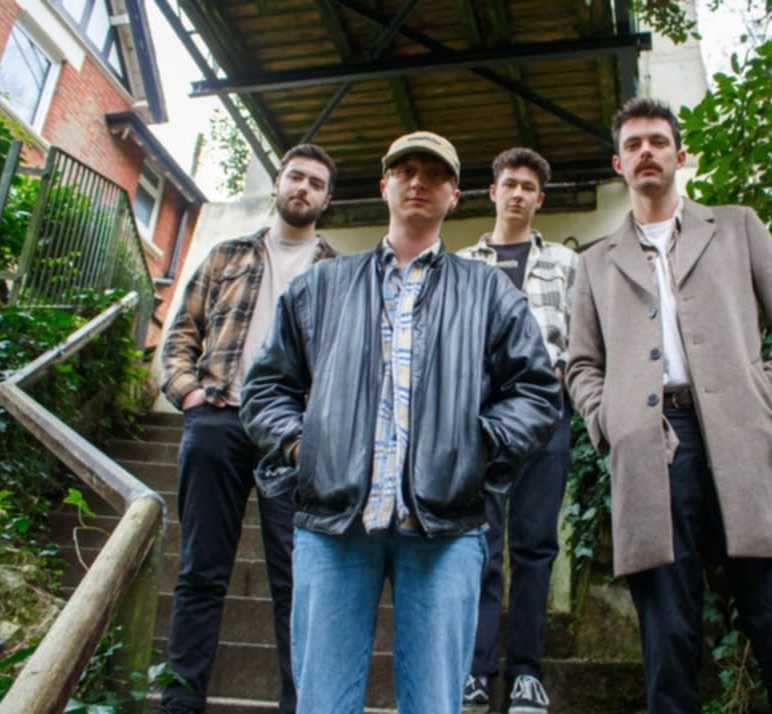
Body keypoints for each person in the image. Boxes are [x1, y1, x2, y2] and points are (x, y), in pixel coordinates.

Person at [239, 131, 562, 714]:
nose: (419, 181)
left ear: (455, 195)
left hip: (445, 529)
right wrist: (300, 447)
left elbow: (537, 391)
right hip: (333, 524)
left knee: (434, 704)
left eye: (435, 173)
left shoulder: (488, 289)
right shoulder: (321, 285)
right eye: (406, 169)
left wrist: (479, 446)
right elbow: (265, 387)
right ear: (383, 184)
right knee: (322, 704)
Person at [566, 97, 772, 713]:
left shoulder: (737, 226)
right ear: (618, 163)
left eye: (658, 141)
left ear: (680, 155)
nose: (646, 152)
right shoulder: (594, 263)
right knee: (669, 637)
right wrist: (610, 422)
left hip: (743, 430)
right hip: (649, 445)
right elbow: (581, 364)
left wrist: (771, 394)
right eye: (633, 144)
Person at [159, 144, 339, 714]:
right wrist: (189, 394)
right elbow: (180, 333)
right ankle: (180, 704)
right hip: (219, 420)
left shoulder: (337, 274)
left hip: (295, 439)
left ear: (326, 199)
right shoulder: (227, 254)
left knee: (298, 579)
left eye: (315, 183)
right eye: (295, 177)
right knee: (201, 571)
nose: (303, 188)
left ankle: (299, 704)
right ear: (278, 184)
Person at [457, 148, 577, 714]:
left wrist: (567, 373)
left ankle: (526, 671)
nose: (518, 194)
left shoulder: (566, 263)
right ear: (493, 192)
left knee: (535, 544)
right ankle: (476, 669)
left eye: (529, 186)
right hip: (478, 416)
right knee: (479, 542)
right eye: (510, 184)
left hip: (546, 413)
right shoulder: (462, 263)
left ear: (539, 198)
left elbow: (584, 335)